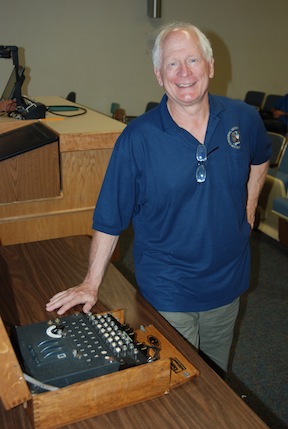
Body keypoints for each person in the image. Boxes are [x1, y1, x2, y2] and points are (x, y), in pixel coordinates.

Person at [46, 22, 271, 374]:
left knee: (217, 378)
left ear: (210, 66)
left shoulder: (244, 118)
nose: (184, 73)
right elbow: (110, 217)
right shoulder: (137, 139)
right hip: (169, 291)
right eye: (172, 63)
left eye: (193, 60)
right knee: (175, 381)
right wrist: (91, 284)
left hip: (228, 283)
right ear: (158, 74)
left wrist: (249, 205)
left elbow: (260, 157)